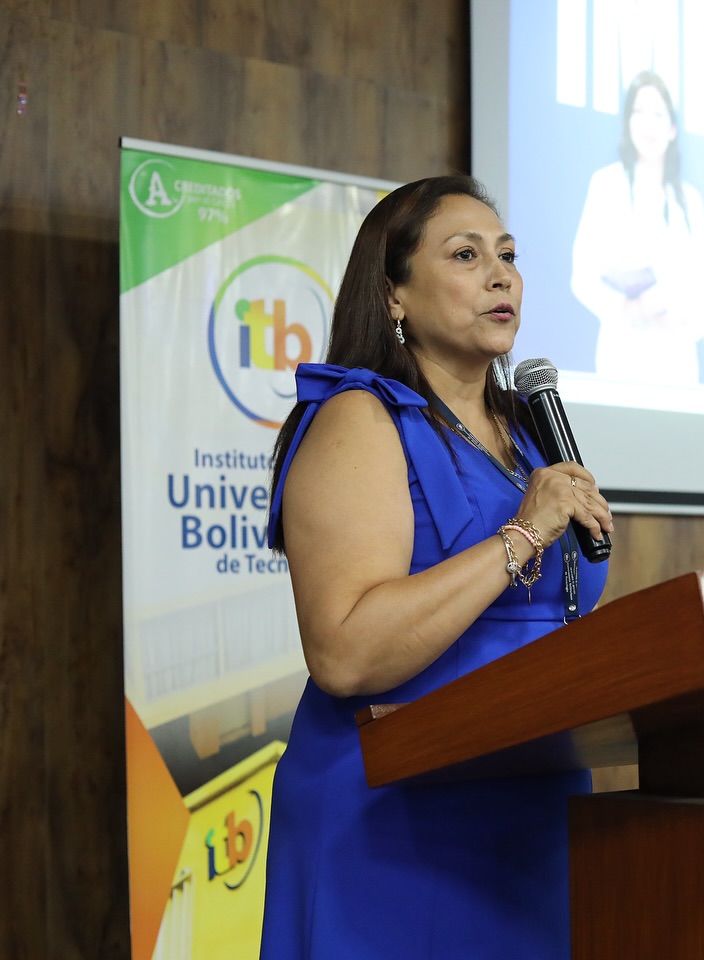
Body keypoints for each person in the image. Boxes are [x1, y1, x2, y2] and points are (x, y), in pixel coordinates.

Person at [259, 176, 614, 958]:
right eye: (465, 255)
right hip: (397, 820)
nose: (501, 276)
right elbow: (345, 652)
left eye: (508, 256)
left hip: (534, 809)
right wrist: (521, 535)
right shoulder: (360, 418)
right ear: (394, 294)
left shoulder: (530, 434)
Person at [571, 71, 704, 385]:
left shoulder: (690, 200)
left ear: (672, 128)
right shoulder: (606, 185)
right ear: (628, 122)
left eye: (658, 114)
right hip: (622, 355)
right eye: (639, 112)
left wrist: (679, 314)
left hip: (677, 361)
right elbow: (582, 275)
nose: (648, 124)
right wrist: (625, 307)